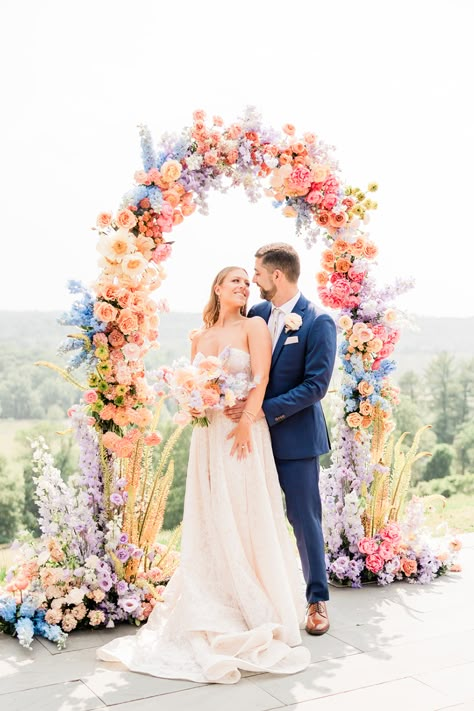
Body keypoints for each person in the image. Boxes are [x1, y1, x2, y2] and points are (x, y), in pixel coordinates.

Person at [97, 266, 311, 684]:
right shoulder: (199, 336)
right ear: (216, 287)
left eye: (246, 283)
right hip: (208, 433)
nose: (242, 287)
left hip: (242, 428)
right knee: (212, 509)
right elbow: (195, 384)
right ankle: (216, 593)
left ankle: (257, 595)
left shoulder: (254, 326)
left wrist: (249, 418)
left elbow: (262, 375)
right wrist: (194, 402)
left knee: (245, 506)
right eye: (234, 280)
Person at [226, 243, 336, 635]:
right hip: (251, 439)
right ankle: (258, 597)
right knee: (253, 514)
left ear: (277, 275)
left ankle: (317, 601)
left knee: (303, 518)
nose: (252, 279)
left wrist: (260, 412)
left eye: (256, 272)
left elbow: (316, 386)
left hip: (296, 438)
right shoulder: (256, 314)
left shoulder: (317, 320)